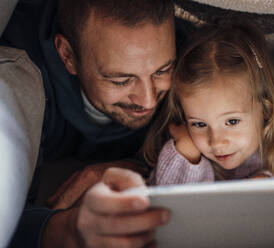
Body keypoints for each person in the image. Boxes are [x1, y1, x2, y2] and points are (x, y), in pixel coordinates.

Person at [0, 0, 176, 247]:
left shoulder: (193, 60)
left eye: (162, 70)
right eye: (121, 80)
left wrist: (140, 167)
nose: (147, 99)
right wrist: (68, 230)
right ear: (68, 56)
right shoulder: (18, 77)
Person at [143, 23, 274, 185]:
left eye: (232, 121)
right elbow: (171, 207)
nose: (216, 141)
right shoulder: (186, 146)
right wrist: (187, 155)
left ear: (265, 110)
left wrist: (271, 184)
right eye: (199, 124)